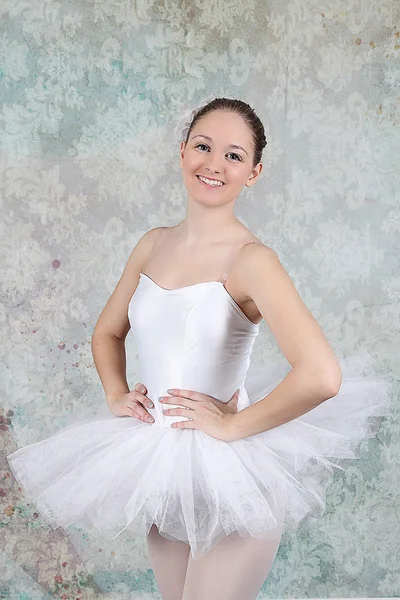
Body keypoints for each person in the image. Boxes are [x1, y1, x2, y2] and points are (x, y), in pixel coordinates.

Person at [7, 98, 392, 600]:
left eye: (234, 156)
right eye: (204, 146)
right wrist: (116, 394)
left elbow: (322, 375)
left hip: (231, 476)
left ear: (253, 173)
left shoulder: (253, 261)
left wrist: (232, 425)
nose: (214, 164)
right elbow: (107, 332)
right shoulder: (152, 244)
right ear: (182, 152)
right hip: (165, 467)